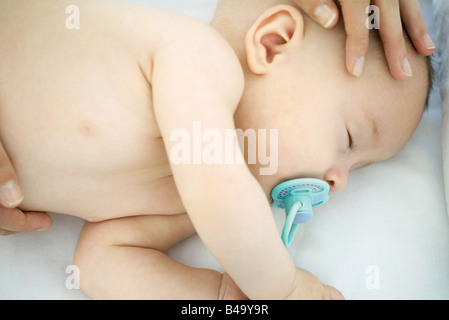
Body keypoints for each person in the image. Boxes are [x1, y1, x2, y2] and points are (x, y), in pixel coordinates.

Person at [0, 0, 431, 299]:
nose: (337, 182)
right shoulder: (198, 57)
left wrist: (224, 294)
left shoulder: (186, 204)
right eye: (350, 140)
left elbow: (98, 265)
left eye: (360, 167)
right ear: (273, 44)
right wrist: (281, 287)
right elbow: (218, 188)